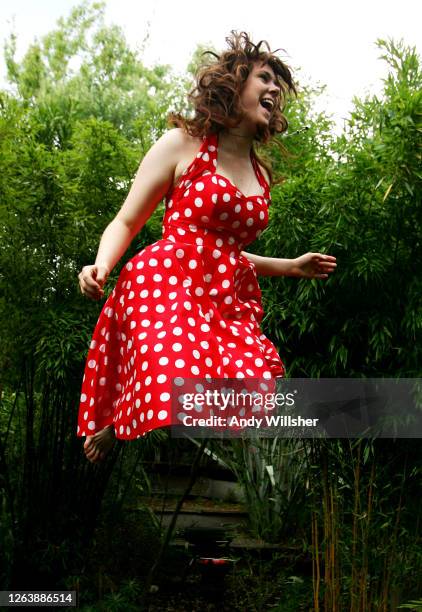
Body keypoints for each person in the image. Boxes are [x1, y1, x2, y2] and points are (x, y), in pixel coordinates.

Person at [77, 31, 337, 463]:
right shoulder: (184, 144)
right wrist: (101, 265)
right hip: (165, 282)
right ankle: (116, 422)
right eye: (265, 78)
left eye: (278, 86)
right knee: (171, 367)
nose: (274, 90)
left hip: (221, 299)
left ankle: (116, 422)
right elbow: (126, 220)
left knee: (256, 381)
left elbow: (225, 255)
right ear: (233, 84)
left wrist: (291, 266)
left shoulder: (261, 176)